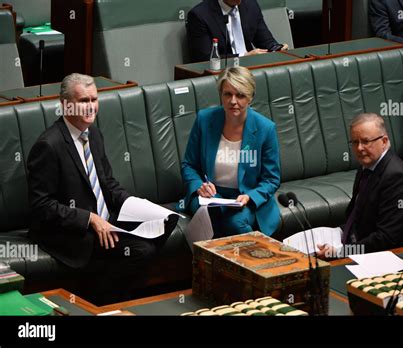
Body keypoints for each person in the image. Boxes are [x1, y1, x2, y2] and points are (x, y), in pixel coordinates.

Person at [27, 73, 175, 304]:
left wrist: (137, 206)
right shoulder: (49, 145)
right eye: (83, 101)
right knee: (141, 251)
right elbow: (42, 206)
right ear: (65, 105)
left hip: (104, 219)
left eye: (94, 100)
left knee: (163, 226)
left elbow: (107, 184)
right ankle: (96, 303)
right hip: (70, 231)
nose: (91, 107)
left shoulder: (93, 133)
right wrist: (91, 219)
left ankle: (112, 298)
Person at [181, 66, 280, 237]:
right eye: (227, 94)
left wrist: (251, 196)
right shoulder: (204, 120)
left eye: (240, 95)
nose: (233, 101)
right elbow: (189, 165)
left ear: (251, 97)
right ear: (221, 95)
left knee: (235, 224)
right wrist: (199, 187)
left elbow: (271, 179)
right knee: (208, 216)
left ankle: (253, 261)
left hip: (245, 197)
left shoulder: (265, 129)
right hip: (211, 196)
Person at [317, 113, 403, 258]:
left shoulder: (397, 178)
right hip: (360, 244)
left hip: (382, 258)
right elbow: (356, 216)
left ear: (384, 141)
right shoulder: (367, 166)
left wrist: (341, 252)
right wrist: (337, 234)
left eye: (366, 141)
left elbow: (385, 239)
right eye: (355, 142)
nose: (359, 148)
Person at [186, 0, 289, 63]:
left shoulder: (250, 5)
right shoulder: (199, 15)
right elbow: (205, 59)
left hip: (253, 70)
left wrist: (277, 48)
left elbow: (265, 41)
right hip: (224, 74)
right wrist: (244, 57)